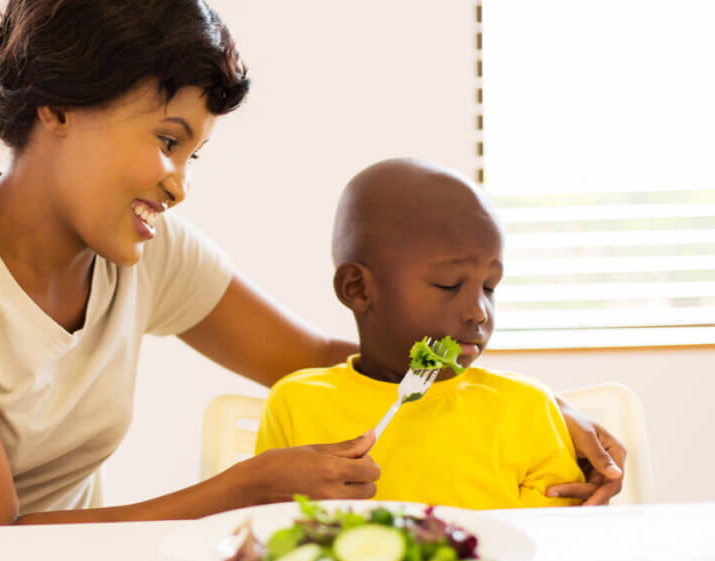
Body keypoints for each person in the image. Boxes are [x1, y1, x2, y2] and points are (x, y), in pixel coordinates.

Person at [0, 0, 623, 526]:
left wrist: (537, 406)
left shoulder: (143, 252)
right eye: (166, 140)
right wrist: (245, 487)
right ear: (58, 108)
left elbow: (342, 366)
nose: (178, 185)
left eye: (194, 154)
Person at [255, 158, 623, 508]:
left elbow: (546, 546)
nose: (478, 310)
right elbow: (271, 530)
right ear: (358, 289)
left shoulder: (528, 408)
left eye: (490, 287)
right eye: (449, 284)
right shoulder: (294, 404)